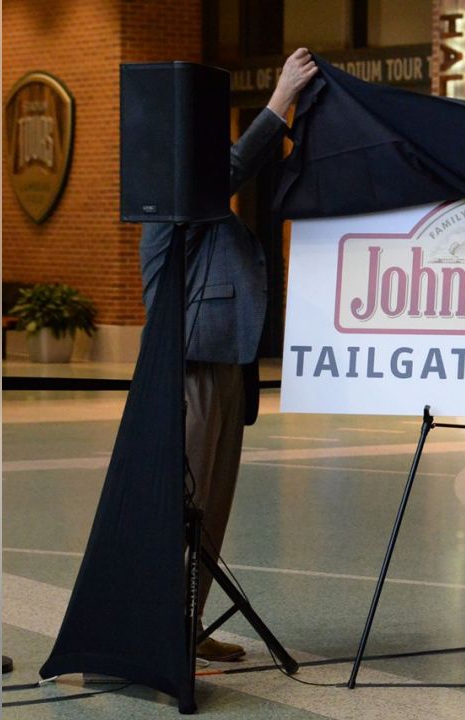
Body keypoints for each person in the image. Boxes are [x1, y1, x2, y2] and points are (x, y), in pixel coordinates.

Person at [139, 48, 318, 663]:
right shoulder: (173, 193)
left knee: (211, 510)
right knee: (181, 510)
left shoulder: (205, 202)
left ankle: (188, 625)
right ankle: (158, 627)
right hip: (190, 369)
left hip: (226, 366)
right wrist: (279, 100)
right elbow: (233, 169)